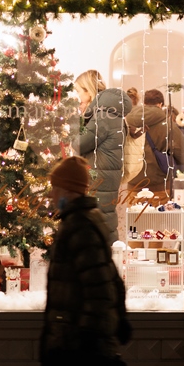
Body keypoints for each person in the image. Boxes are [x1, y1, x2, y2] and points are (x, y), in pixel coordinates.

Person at [0, 156, 171, 366]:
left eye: (55, 188)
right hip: (74, 326)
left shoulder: (79, 224)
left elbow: (98, 282)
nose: (52, 195)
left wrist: (88, 330)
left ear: (68, 189)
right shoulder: (81, 220)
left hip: (78, 330)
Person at [74, 70, 132, 239]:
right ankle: (107, 257)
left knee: (99, 223)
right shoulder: (109, 113)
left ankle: (106, 258)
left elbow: (79, 143)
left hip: (99, 176)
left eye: (79, 91)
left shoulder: (102, 116)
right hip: (105, 174)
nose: (77, 96)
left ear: (88, 90)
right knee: (103, 219)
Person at [125, 88, 184, 203]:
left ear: (144, 103)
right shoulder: (168, 125)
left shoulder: (127, 121)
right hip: (159, 186)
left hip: (133, 183)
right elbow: (182, 153)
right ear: (160, 104)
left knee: (135, 219)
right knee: (159, 219)